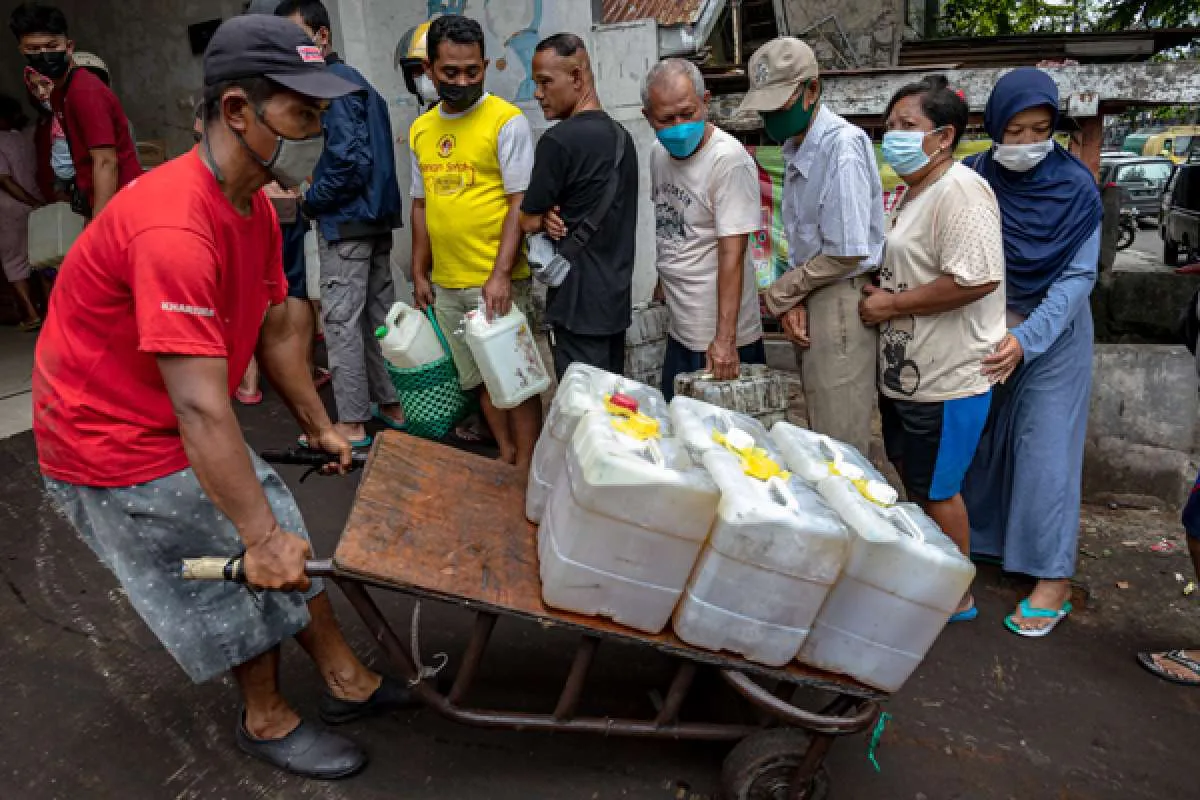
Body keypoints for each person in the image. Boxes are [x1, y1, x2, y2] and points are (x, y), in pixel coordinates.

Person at [33, 16, 415, 778]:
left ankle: (346, 677)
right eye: (304, 114)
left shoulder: (253, 208)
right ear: (238, 109)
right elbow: (203, 409)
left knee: (275, 523)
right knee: (239, 551)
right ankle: (267, 719)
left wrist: (322, 426)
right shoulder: (174, 224)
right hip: (110, 437)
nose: (318, 131)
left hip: (172, 414)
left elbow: (277, 329)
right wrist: (257, 537)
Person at [962, 68, 1103, 637]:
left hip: (1056, 336)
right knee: (979, 445)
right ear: (994, 126)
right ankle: (990, 545)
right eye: (1014, 130)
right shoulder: (972, 177)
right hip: (982, 330)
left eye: (1040, 130)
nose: (1026, 144)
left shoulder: (1076, 189)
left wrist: (1026, 340)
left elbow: (1076, 280)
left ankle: (1053, 579)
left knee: (1046, 452)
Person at [859, 75, 1006, 621]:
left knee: (940, 489)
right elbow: (918, 268)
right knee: (918, 480)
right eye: (889, 126)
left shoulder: (961, 191)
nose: (892, 137)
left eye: (906, 127)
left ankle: (957, 596)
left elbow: (976, 279)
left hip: (947, 379)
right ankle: (933, 574)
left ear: (943, 137)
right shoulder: (915, 191)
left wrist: (891, 307)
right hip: (910, 375)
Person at [739, 37, 885, 457]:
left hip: (840, 295)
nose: (771, 118)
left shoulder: (841, 145)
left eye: (780, 107)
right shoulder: (800, 145)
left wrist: (785, 290)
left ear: (812, 90)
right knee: (822, 432)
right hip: (818, 291)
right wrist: (796, 297)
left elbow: (847, 250)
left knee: (840, 449)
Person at [410, 14, 542, 468]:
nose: (462, 80)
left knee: (516, 380)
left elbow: (518, 205)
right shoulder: (421, 130)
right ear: (429, 70)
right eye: (450, 72)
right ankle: (505, 461)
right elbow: (421, 205)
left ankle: (527, 469)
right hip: (447, 283)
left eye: (473, 71)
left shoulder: (507, 122)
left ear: (486, 64)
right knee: (479, 381)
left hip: (495, 279)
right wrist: (418, 270)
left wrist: (501, 274)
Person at [277, 0, 406, 445]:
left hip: (347, 221)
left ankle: (351, 422)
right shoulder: (358, 82)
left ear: (322, 36)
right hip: (376, 219)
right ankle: (390, 404)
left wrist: (312, 200)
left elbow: (348, 159)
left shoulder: (327, 85)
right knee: (378, 317)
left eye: (297, 37)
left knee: (340, 322)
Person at [643, 58, 764, 400]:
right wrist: (660, 285)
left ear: (706, 102)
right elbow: (670, 221)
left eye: (688, 113)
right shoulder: (658, 153)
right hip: (679, 324)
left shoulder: (728, 160)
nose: (679, 126)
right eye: (667, 119)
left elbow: (732, 253)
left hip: (717, 335)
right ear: (648, 116)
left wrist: (725, 339)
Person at [519, 33, 638, 378]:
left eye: (544, 82)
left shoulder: (558, 141)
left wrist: (542, 218)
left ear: (576, 77)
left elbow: (526, 221)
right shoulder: (621, 138)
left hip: (576, 305)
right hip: (614, 302)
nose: (538, 93)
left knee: (584, 411)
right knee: (613, 409)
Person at [9, 3, 142, 218]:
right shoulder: (59, 93)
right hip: (101, 202)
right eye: (33, 49)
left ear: (68, 46)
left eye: (52, 46)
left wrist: (98, 226)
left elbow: (105, 161)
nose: (44, 55)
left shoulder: (85, 91)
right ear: (22, 51)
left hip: (122, 206)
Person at [0, 93, 45, 330]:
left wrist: (27, 201)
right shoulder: (27, 137)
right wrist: (36, 202)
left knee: (13, 262)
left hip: (10, 209)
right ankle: (48, 306)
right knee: (38, 257)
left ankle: (30, 313)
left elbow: (5, 181)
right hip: (36, 202)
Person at [24, 66, 72, 203]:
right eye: (33, 87)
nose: (40, 93)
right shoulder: (44, 123)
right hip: (55, 191)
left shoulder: (68, 118)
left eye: (45, 84)